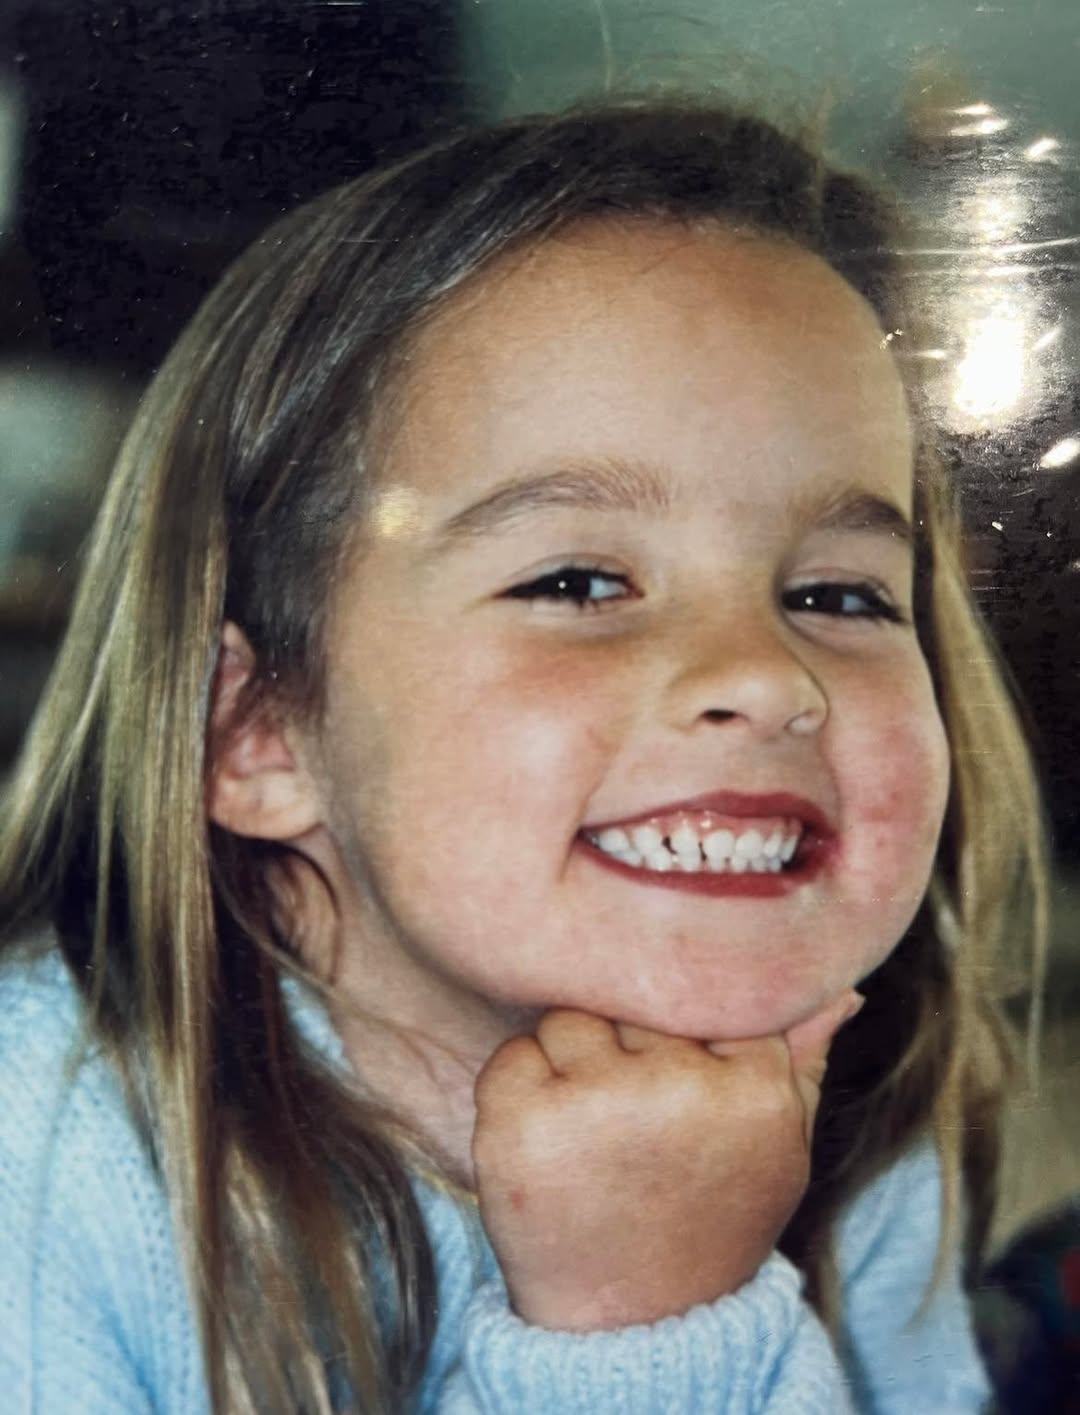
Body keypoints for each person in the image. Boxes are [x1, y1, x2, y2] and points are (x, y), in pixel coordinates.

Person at [0, 100, 1048, 1413]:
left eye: (840, 596)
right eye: (579, 579)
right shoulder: (38, 1162)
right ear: (258, 730)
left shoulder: (850, 1100)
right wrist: (642, 1336)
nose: (764, 676)